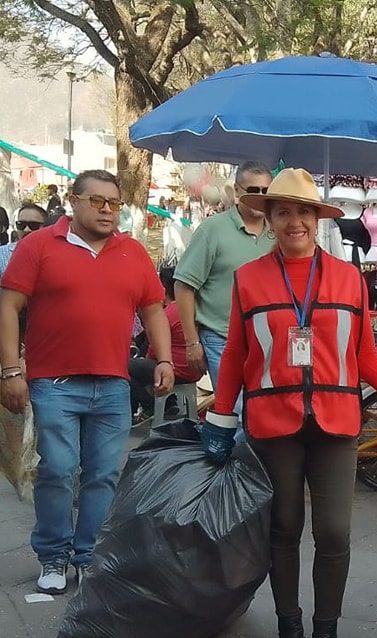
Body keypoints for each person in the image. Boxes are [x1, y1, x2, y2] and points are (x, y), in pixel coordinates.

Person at [199, 169, 377, 638]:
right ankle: (290, 630)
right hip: (272, 423)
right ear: (270, 219)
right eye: (283, 212)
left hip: (335, 422)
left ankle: (326, 635)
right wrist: (221, 416)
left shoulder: (350, 278)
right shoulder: (249, 278)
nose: (294, 221)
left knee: (334, 532)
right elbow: (237, 353)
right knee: (283, 530)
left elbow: (365, 353)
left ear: (317, 218)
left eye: (304, 211)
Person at [0, 169, 174, 594]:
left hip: (112, 385)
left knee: (102, 475)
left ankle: (88, 554)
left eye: (114, 203)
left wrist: (164, 358)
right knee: (57, 471)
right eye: (96, 201)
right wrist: (9, 369)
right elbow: (8, 306)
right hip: (53, 383)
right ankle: (54, 556)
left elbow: (154, 309)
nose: (106, 210)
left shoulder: (133, 252)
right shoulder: (39, 246)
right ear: (73, 201)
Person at [174, 162, 274, 390]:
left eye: (266, 191)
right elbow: (183, 285)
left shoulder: (276, 232)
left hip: (267, 339)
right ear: (238, 192)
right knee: (237, 411)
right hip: (221, 338)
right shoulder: (213, 229)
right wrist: (192, 343)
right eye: (253, 190)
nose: (260, 196)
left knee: (259, 411)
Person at [128, 267, 205, 418]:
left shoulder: (167, 313)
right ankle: (155, 406)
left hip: (175, 369)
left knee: (123, 368)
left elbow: (153, 349)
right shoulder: (193, 309)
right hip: (194, 370)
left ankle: (151, 406)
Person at [0, 203, 47, 277]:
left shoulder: (55, 255)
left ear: (45, 227)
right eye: (21, 224)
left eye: (33, 225)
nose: (26, 229)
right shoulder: (2, 253)